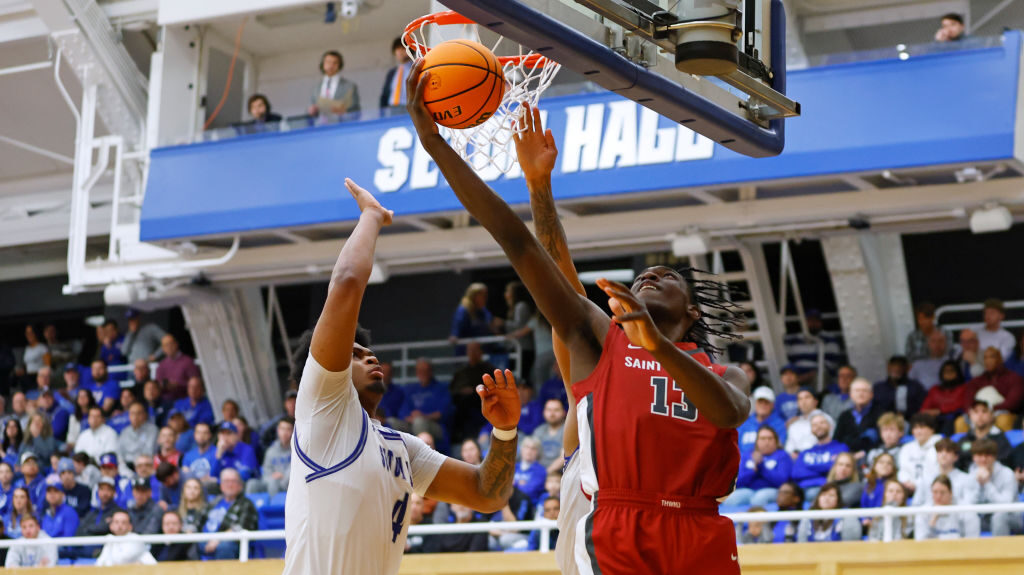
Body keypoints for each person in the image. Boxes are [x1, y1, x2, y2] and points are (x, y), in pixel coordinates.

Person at [409, 81, 751, 575]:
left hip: (701, 527)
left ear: (693, 313)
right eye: (643, 274)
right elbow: (521, 246)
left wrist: (656, 346)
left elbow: (729, 412)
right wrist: (437, 145)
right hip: (617, 518)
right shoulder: (601, 337)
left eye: (667, 276)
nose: (650, 275)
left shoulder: (725, 374)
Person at [282, 178, 521, 575]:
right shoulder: (322, 411)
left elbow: (487, 493)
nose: (369, 355)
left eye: (369, 351)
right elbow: (345, 285)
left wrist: (506, 431)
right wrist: (372, 217)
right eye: (355, 354)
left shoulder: (401, 448)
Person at [963, 438, 1019, 535]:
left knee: (999, 516)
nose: (983, 459)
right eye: (980, 455)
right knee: (969, 517)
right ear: (974, 457)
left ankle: (1001, 550)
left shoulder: (1007, 474)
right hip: (982, 518)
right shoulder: (970, 475)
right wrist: (979, 484)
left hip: (1010, 517)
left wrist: (987, 483)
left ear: (994, 457)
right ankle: (971, 549)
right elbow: (968, 504)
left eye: (987, 455)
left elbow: (1006, 505)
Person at [723, 426, 791, 507]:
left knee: (759, 498)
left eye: (770, 438)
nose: (767, 442)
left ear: (776, 441)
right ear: (757, 441)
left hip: (772, 489)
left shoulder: (782, 455)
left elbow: (782, 481)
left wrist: (761, 468)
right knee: (729, 499)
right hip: (748, 490)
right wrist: (753, 471)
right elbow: (736, 482)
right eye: (763, 438)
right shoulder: (746, 456)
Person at [200, 468, 258, 560]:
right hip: (206, 540)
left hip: (229, 543)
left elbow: (242, 527)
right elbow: (199, 521)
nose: (230, 485)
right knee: (189, 544)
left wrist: (218, 539)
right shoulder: (214, 502)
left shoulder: (246, 504)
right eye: (226, 481)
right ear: (221, 485)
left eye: (233, 481)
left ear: (240, 485)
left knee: (225, 547)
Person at [962, 347, 1024, 430]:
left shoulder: (1014, 378)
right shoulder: (977, 381)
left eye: (992, 357)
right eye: (985, 358)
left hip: (1002, 413)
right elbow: (967, 402)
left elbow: (1013, 403)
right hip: (979, 413)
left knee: (1003, 420)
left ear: (1000, 359)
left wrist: (989, 410)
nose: (988, 360)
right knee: (960, 422)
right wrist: (979, 412)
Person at [792, 414, 849, 502]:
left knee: (811, 494)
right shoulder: (805, 452)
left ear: (830, 426)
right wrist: (824, 467)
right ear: (811, 430)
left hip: (825, 488)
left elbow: (836, 472)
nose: (818, 427)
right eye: (814, 425)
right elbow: (796, 473)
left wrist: (810, 467)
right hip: (802, 489)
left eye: (822, 423)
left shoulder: (841, 448)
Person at [398, 358, 452, 448]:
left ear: (431, 371)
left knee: (419, 421)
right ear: (416, 372)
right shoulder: (411, 390)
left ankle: (422, 456)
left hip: (436, 426)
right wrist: (411, 418)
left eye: (425, 370)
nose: (422, 373)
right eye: (420, 370)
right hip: (412, 423)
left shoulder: (441, 388)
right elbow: (402, 413)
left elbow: (441, 414)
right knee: (392, 422)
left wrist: (423, 416)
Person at [784, 309, 845, 387]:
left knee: (821, 376)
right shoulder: (793, 339)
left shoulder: (829, 339)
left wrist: (811, 374)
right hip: (797, 375)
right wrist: (795, 374)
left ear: (820, 323)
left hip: (818, 374)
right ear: (804, 322)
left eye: (816, 320)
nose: (813, 323)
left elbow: (832, 363)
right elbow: (787, 360)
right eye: (809, 320)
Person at [450, 342, 496, 441]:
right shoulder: (461, 371)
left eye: (475, 350)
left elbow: (494, 389)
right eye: (470, 350)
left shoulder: (489, 369)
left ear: (481, 352)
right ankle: (459, 437)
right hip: (462, 404)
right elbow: (452, 390)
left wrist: (474, 390)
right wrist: (461, 391)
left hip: (481, 401)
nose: (472, 353)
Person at [915, 475, 980, 539]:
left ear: (950, 493)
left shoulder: (965, 510)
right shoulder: (923, 512)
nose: (938, 496)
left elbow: (973, 539)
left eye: (942, 492)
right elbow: (920, 543)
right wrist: (932, 524)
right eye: (935, 492)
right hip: (934, 549)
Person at [955, 397, 1012, 469]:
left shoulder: (1001, 440)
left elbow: (1004, 462)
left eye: (984, 411)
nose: (980, 415)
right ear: (970, 415)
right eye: (976, 411)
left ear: (992, 415)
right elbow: (956, 461)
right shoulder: (964, 439)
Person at [834, 378, 884, 457]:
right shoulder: (844, 416)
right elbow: (837, 440)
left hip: (872, 456)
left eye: (864, 391)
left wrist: (864, 453)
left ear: (871, 394)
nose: (860, 394)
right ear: (850, 394)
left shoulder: (881, 415)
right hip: (846, 457)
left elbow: (882, 441)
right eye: (857, 391)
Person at [796, 483, 861, 542]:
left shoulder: (847, 517)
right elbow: (801, 542)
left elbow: (851, 544)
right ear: (818, 498)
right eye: (823, 495)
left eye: (831, 495)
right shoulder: (808, 517)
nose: (826, 498)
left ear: (838, 500)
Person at [913, 438, 969, 506]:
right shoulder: (926, 479)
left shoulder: (966, 479)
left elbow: (968, 506)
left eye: (948, 451)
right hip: (929, 515)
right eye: (940, 451)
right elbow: (916, 504)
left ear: (956, 457)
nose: (943, 454)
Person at [245, 417, 292, 497]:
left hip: (289, 485)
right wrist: (271, 478)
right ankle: (250, 508)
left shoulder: (297, 451)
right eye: (282, 429)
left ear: (293, 431)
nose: (284, 433)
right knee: (251, 483)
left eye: (288, 429)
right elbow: (265, 473)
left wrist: (281, 477)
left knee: (274, 483)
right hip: (271, 484)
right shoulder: (271, 451)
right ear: (278, 430)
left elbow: (294, 472)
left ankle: (274, 508)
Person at [897, 413, 940, 496]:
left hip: (932, 490)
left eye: (922, 427)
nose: (918, 431)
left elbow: (938, 471)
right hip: (909, 490)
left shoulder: (940, 446)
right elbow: (903, 470)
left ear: (932, 429)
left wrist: (919, 485)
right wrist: (907, 481)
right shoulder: (906, 448)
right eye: (915, 428)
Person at [920, 360, 968, 434]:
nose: (948, 373)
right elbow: (924, 408)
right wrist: (929, 412)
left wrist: (940, 411)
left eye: (951, 370)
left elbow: (960, 405)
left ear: (958, 373)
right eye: (945, 371)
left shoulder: (963, 388)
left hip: (953, 418)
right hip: (934, 419)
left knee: (949, 421)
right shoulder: (935, 389)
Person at [309, 50, 360, 118]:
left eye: (335, 63)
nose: (331, 65)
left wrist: (345, 111)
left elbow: (356, 109)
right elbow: (312, 109)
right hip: (322, 126)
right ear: (323, 64)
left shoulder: (350, 86)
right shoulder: (316, 88)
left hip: (342, 124)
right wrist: (312, 111)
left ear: (339, 65)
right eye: (328, 62)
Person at [450, 283, 497, 356]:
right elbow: (457, 327)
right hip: (466, 353)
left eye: (485, 295)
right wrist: (454, 335)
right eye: (482, 295)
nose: (485, 298)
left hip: (484, 351)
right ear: (474, 296)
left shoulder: (483, 311)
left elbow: (490, 324)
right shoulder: (463, 310)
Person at [738, 386, 787, 455]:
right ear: (755, 403)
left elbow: (779, 446)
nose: (763, 405)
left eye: (766, 402)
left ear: (772, 405)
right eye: (760, 402)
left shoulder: (779, 424)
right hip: (744, 463)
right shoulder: (744, 424)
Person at [502, 281, 536, 379]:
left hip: (524, 348)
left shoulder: (521, 306)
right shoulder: (517, 307)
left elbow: (520, 326)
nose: (505, 294)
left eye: (508, 291)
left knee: (523, 376)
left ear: (514, 293)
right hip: (521, 348)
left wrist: (503, 323)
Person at [424, 503, 490, 553]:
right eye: (458, 503)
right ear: (452, 507)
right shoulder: (446, 529)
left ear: (472, 506)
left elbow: (474, 553)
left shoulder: (480, 525)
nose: (461, 506)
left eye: (465, 502)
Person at [155, 335, 199, 401]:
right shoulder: (161, 365)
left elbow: (196, 384)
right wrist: (163, 386)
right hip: (167, 402)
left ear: (176, 344)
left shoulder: (188, 362)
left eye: (171, 344)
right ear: (163, 349)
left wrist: (178, 385)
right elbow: (157, 385)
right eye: (165, 345)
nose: (169, 347)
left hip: (186, 400)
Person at [784, 390, 828, 455]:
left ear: (815, 401)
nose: (803, 402)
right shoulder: (794, 424)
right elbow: (789, 448)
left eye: (807, 397)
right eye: (800, 399)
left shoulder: (826, 419)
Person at [117, 403, 158, 472]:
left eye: (139, 413)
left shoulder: (153, 430)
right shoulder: (125, 432)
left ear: (145, 415)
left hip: (146, 465)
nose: (135, 416)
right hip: (128, 466)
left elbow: (150, 452)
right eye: (132, 413)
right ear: (129, 416)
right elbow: (120, 454)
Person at [531, 398, 566, 472]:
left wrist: (545, 474)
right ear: (544, 412)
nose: (552, 414)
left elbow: (563, 458)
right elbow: (531, 453)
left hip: (559, 474)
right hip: (539, 472)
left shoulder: (567, 431)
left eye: (556, 410)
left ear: (564, 412)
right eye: (549, 410)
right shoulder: (539, 430)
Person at [379, 38, 412, 110]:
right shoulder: (392, 72)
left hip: (409, 107)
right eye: (397, 49)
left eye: (402, 48)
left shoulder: (414, 69)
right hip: (392, 108)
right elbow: (385, 94)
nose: (400, 52)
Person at [181, 422, 217, 489]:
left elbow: (215, 477)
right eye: (199, 432)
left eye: (205, 433)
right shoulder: (188, 455)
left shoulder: (217, 452)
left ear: (210, 435)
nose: (201, 436)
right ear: (194, 435)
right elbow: (185, 476)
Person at [513, 437, 547, 504]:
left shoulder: (541, 471)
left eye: (533, 449)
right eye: (526, 447)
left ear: (538, 452)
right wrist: (520, 483)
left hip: (529, 506)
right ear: (521, 449)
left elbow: (529, 491)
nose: (529, 451)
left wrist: (514, 483)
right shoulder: (513, 467)